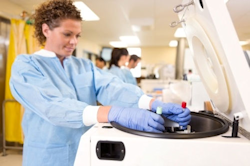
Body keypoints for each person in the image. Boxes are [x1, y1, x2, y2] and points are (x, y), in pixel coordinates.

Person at [9, 0, 191, 165]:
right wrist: (113, 112)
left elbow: (112, 87)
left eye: (78, 35)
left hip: (85, 152)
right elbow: (53, 106)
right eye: (67, 34)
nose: (74, 42)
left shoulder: (83, 65)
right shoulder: (26, 66)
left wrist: (151, 103)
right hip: (48, 157)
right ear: (46, 30)